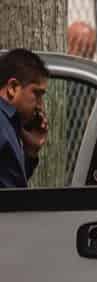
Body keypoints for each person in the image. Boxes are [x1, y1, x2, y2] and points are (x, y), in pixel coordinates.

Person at [0, 48, 50, 189]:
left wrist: (30, 151)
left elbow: (12, 187)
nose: (40, 105)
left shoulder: (10, 123)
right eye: (37, 94)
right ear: (13, 87)